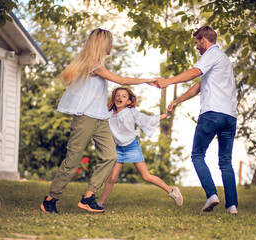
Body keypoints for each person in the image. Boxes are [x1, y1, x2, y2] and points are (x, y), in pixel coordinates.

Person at [40, 28, 154, 214]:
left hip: (101, 119)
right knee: (72, 161)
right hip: (85, 119)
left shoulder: (97, 66)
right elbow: (119, 79)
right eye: (110, 42)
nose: (111, 45)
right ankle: (50, 200)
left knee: (110, 156)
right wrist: (147, 80)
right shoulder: (93, 65)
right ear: (102, 44)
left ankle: (88, 197)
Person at [155, 26, 238, 215]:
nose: (196, 47)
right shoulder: (224, 60)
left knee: (197, 155)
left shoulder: (211, 54)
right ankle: (232, 206)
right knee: (225, 161)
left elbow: (194, 72)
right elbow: (199, 86)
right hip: (230, 116)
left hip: (211, 114)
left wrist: (168, 81)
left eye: (196, 43)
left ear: (203, 39)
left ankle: (211, 195)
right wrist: (177, 101)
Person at [97, 87, 183, 208]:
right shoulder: (108, 114)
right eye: (117, 95)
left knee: (146, 176)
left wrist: (167, 114)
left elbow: (148, 120)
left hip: (132, 146)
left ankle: (172, 192)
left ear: (128, 101)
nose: (119, 98)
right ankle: (101, 204)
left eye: (123, 96)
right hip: (118, 148)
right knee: (112, 178)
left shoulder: (131, 112)